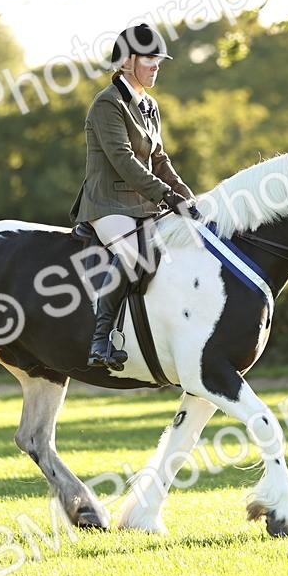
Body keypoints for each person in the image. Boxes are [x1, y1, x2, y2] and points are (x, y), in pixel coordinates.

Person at [70, 23, 199, 372]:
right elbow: (124, 160)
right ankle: (100, 341)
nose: (157, 65)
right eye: (150, 59)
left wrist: (189, 199)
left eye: (159, 59)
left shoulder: (149, 105)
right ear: (127, 62)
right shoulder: (107, 104)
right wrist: (166, 196)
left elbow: (160, 160)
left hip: (143, 204)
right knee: (132, 254)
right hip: (108, 204)